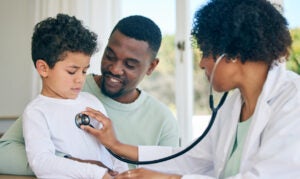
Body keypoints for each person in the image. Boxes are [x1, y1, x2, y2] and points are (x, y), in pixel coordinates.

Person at [82, 0, 300, 178]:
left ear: (233, 54)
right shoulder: (233, 104)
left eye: (206, 52)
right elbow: (194, 159)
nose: (202, 63)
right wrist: (116, 146)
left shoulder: (293, 101)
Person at [0, 15, 179, 175]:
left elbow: (170, 173)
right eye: (109, 56)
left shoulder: (163, 121)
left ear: (151, 67)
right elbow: (6, 152)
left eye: (130, 65)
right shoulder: (58, 97)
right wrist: (78, 166)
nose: (115, 69)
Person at [22, 13, 128, 179]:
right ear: (43, 68)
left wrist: (124, 174)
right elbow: (41, 162)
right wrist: (97, 174)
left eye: (85, 70)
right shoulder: (36, 112)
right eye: (72, 71)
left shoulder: (91, 102)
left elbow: (112, 150)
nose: (80, 79)